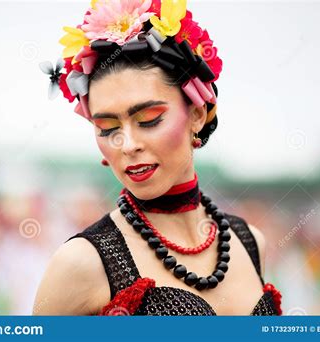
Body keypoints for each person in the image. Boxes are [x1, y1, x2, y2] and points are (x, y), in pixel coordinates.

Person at [33, 0, 282, 316]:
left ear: (196, 114)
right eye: (107, 127)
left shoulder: (249, 242)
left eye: (149, 119)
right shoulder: (81, 263)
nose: (128, 144)